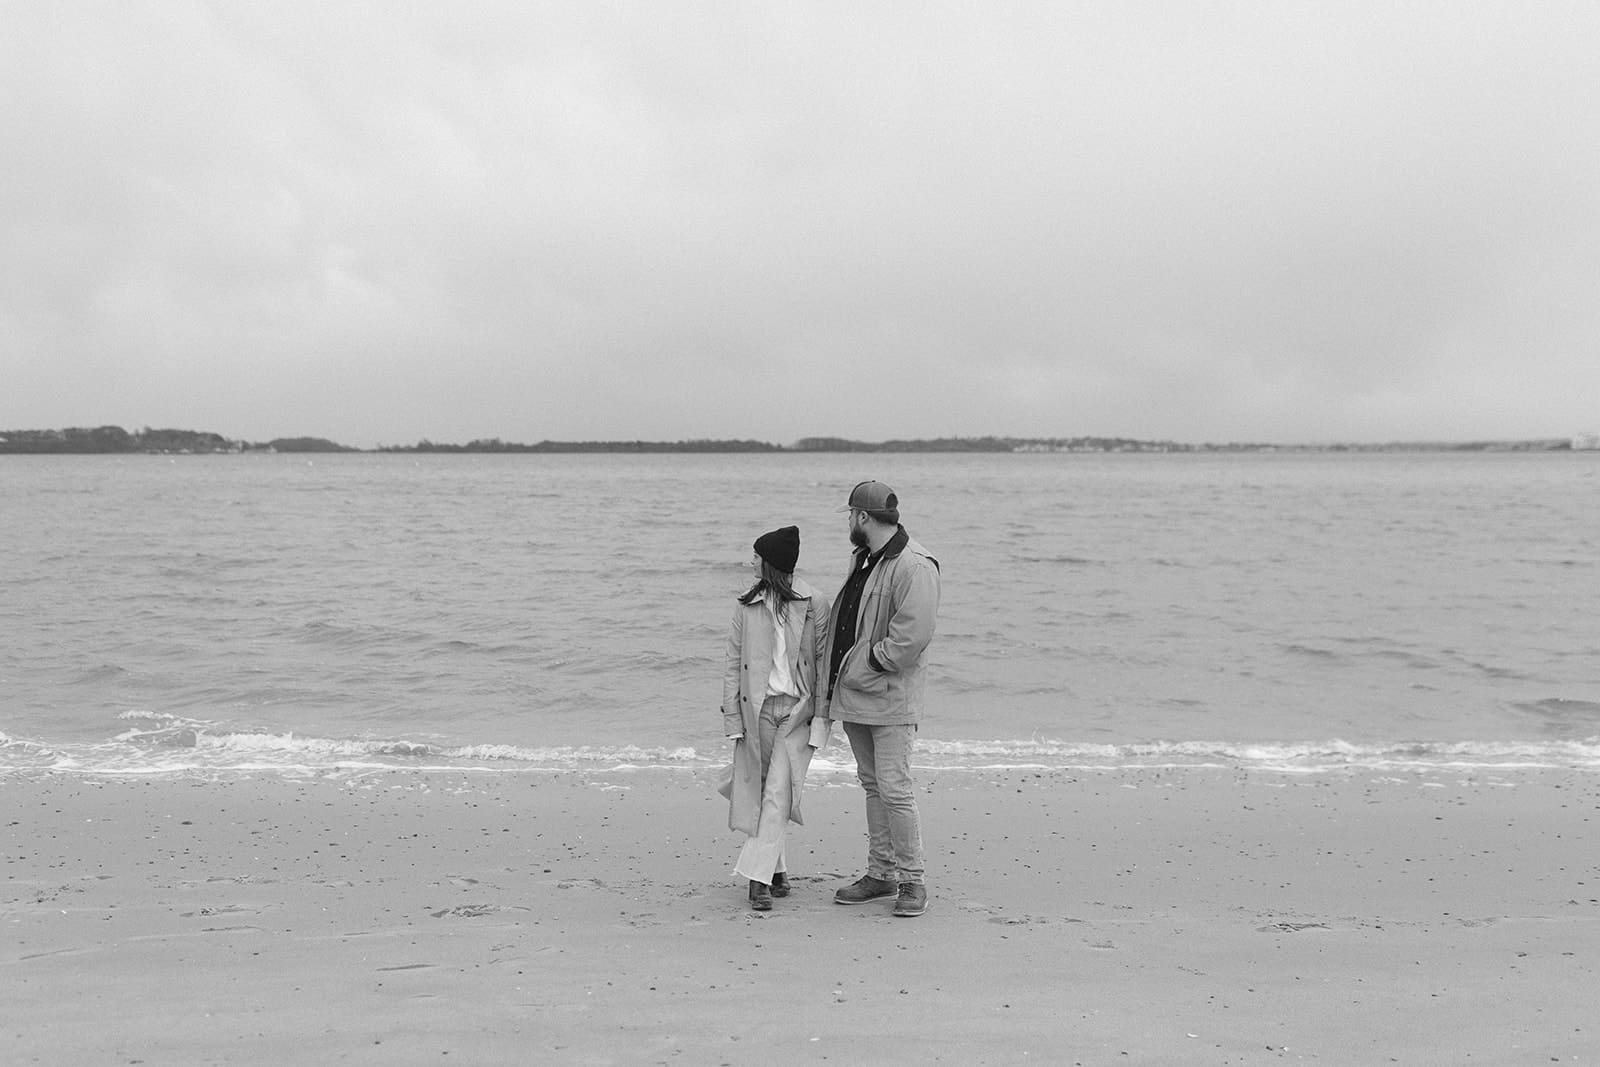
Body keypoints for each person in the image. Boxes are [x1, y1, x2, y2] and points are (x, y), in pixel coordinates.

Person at [820, 480, 941, 918]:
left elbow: (910, 639)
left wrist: (866, 663)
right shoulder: (864, 559)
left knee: (895, 788)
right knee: (873, 785)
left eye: (851, 515)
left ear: (864, 518)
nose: (849, 522)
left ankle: (913, 881)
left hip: (889, 697)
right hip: (856, 695)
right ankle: (881, 873)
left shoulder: (915, 566)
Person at [717, 525, 832, 911]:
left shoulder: (815, 602)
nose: (750, 560)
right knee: (765, 791)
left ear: (770, 563)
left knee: (779, 791)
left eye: (756, 555)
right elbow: (733, 665)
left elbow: (823, 664)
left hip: (798, 712)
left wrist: (822, 720)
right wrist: (733, 720)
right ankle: (776, 869)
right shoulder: (746, 606)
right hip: (759, 711)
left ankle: (755, 878)